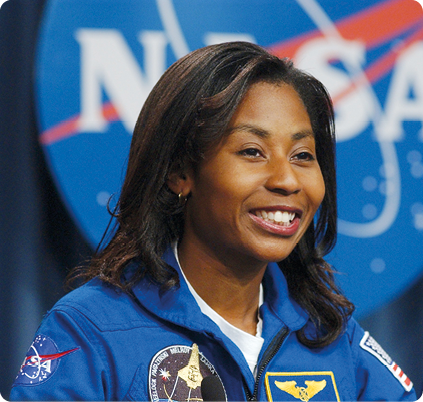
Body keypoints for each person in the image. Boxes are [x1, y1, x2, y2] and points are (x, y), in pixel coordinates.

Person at [10, 42, 415, 402]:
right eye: (253, 151)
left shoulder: (330, 333)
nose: (287, 180)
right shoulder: (92, 329)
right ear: (180, 172)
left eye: (303, 155)